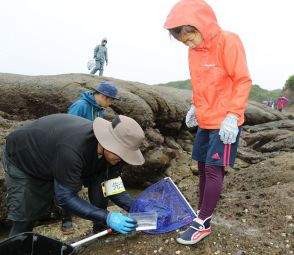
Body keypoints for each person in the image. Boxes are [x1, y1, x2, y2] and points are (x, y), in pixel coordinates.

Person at [164, 0, 252, 245]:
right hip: (206, 118)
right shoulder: (193, 52)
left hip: (225, 121)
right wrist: (195, 104)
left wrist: (233, 116)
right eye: (183, 42)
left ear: (199, 26)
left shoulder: (229, 41)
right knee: (202, 168)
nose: (188, 45)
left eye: (189, 39)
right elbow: (200, 83)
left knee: (214, 170)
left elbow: (242, 80)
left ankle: (202, 222)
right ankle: (204, 215)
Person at [2, 113, 145, 237]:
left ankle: (100, 227)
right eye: (120, 152)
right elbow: (65, 197)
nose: (122, 158)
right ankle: (16, 246)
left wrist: (138, 208)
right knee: (26, 216)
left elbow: (111, 186)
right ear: (106, 141)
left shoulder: (115, 157)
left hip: (56, 156)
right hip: (24, 159)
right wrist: (108, 217)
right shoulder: (72, 149)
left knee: (100, 182)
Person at [61, 81, 119, 234]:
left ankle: (99, 225)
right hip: (74, 153)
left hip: (91, 155)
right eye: (110, 99)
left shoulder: (100, 109)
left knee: (100, 186)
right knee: (71, 187)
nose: (111, 103)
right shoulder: (80, 106)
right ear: (101, 95)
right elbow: (65, 127)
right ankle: (66, 221)